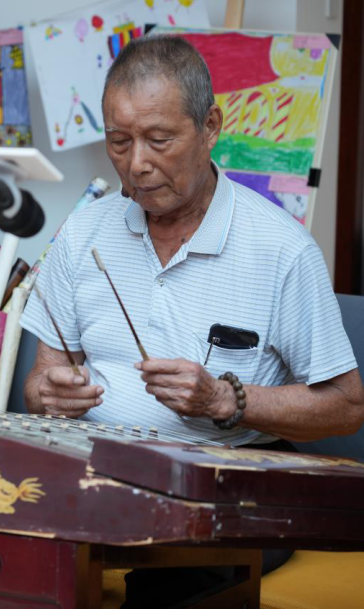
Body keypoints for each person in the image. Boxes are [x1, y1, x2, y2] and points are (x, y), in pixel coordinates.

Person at [20, 35, 364, 606]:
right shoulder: (83, 233)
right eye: (119, 142)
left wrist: (225, 400)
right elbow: (39, 383)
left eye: (159, 140)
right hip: (96, 470)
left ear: (210, 127)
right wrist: (48, 394)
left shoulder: (281, 250)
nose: (137, 163)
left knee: (173, 576)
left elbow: (347, 405)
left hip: (227, 484)